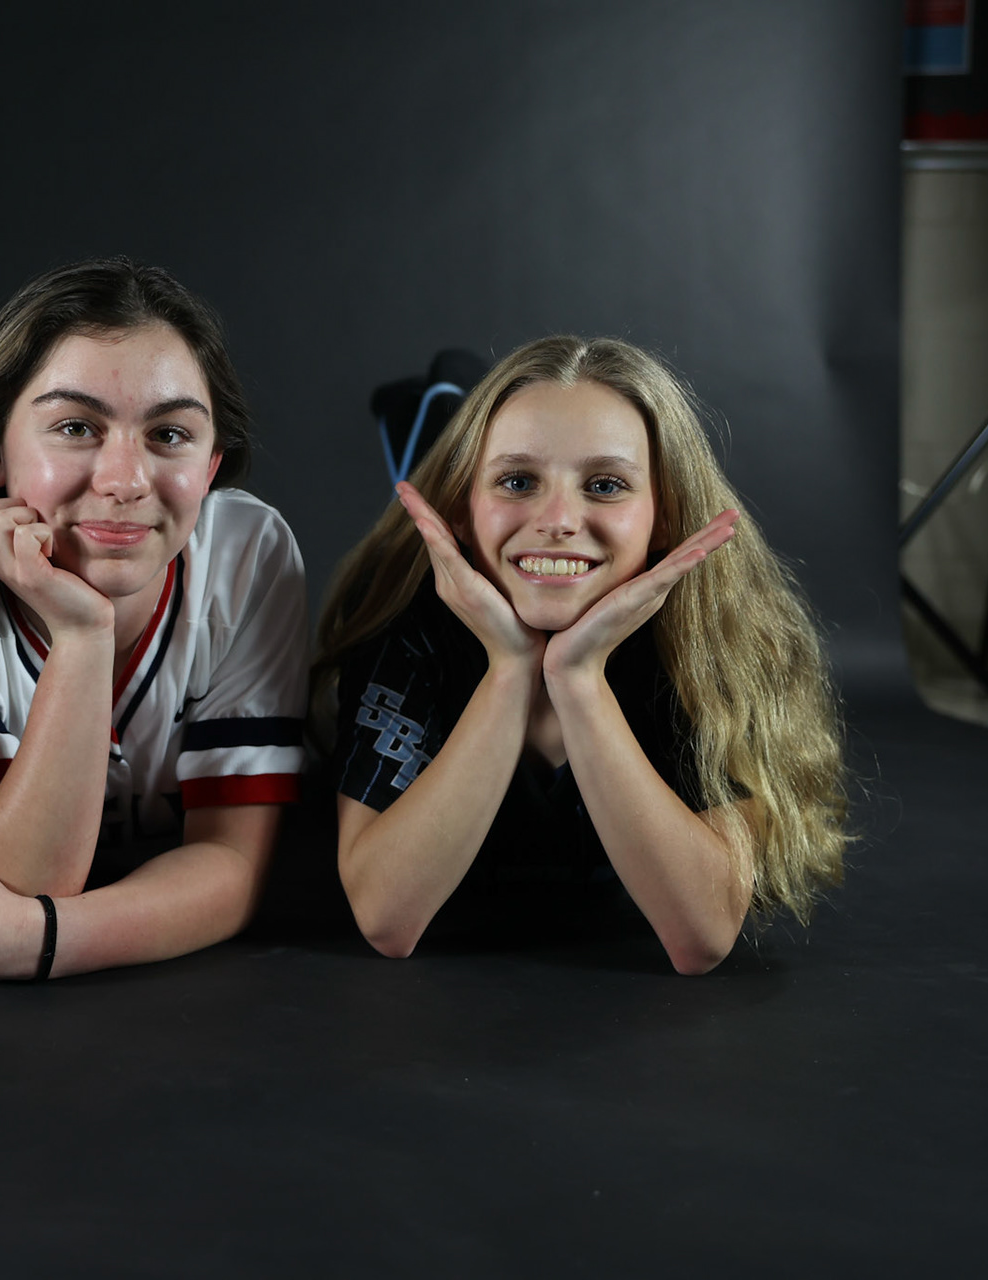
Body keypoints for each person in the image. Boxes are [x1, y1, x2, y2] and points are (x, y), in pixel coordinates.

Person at [316, 335, 846, 974]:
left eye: (605, 484)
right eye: (518, 481)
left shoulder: (713, 644)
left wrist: (578, 676)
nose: (559, 519)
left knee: (479, 460)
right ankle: (444, 404)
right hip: (465, 537)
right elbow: (386, 920)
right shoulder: (408, 623)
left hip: (541, 561)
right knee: (428, 443)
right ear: (461, 509)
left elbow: (701, 939)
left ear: (666, 515)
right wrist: (510, 668)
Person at [0, 258, 306, 980]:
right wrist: (81, 634)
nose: (125, 481)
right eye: (74, 427)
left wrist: (45, 940)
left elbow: (230, 862)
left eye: (170, 435)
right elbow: (2, 888)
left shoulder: (247, 555)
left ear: (212, 465)